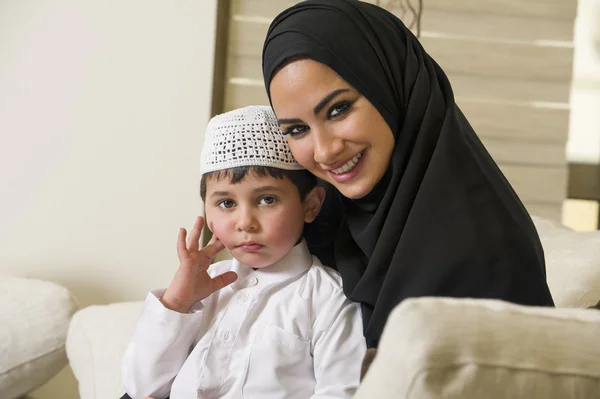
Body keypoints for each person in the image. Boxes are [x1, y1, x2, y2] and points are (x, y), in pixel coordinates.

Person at [262, 0, 555, 349]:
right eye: (297, 130)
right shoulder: (331, 221)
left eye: (338, 109)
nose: (324, 151)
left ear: (394, 89)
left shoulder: (483, 250)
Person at [120, 105, 367, 399]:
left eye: (266, 199)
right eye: (226, 203)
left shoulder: (330, 299)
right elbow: (142, 388)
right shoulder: (203, 289)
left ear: (310, 204)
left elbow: (342, 391)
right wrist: (177, 302)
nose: (245, 223)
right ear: (208, 214)